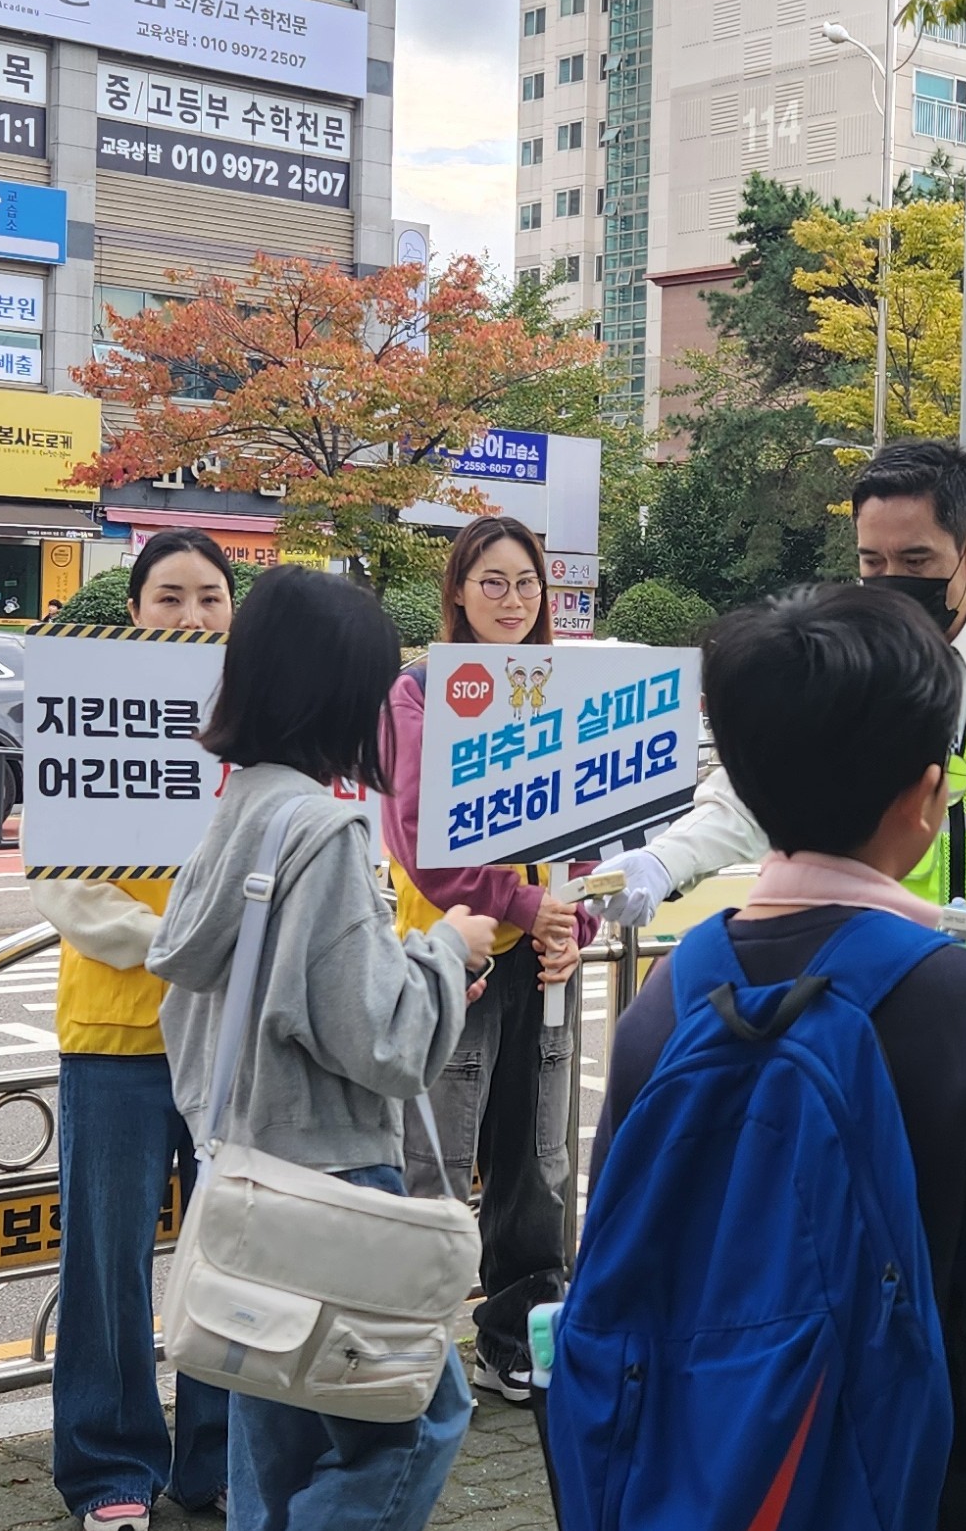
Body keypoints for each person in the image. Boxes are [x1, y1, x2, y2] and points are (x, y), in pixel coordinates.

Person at [592, 440, 966, 1531]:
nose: (887, 581)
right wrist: (660, 859)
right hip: (858, 988)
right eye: (867, 559)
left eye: (914, 559)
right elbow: (750, 798)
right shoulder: (842, 657)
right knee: (887, 1277)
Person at [146, 566, 495, 1531]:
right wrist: (442, 954)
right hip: (335, 1181)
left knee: (279, 1443)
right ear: (340, 692)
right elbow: (380, 1039)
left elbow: (204, 998)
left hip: (250, 1180)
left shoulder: (240, 811)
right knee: (417, 1419)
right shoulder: (328, 830)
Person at [35, 530, 240, 1531]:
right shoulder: (88, 703)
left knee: (233, 1254)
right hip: (114, 1035)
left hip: (233, 1037)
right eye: (171, 596)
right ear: (135, 607)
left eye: (210, 597)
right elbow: (66, 888)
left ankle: (218, 1455)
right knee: (106, 1263)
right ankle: (109, 1468)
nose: (192, 615)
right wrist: (182, 946)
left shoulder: (258, 722)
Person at [377, 516, 589, 1402]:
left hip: (541, 957)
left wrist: (570, 912)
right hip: (448, 955)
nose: (512, 599)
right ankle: (408, 1355)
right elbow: (423, 837)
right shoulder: (416, 694)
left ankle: (519, 1336)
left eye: (527, 583)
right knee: (435, 1160)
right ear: (457, 592)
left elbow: (589, 817)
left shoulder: (563, 686)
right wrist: (527, 903)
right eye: (492, 582)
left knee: (538, 1161)